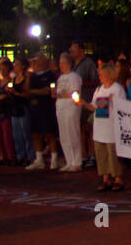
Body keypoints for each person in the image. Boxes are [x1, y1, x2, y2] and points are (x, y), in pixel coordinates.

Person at [82, 63, 126, 191]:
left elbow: (122, 106)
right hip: (100, 125)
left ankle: (118, 178)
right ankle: (105, 178)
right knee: (101, 154)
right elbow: (93, 106)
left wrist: (113, 101)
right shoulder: (99, 89)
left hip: (111, 126)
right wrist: (83, 103)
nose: (100, 76)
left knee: (112, 153)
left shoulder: (117, 88)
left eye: (101, 74)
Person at [53, 53, 84, 172]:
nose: (61, 65)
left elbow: (75, 93)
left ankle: (76, 161)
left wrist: (62, 95)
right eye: (60, 63)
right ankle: (69, 160)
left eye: (64, 63)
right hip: (60, 106)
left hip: (71, 107)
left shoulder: (74, 77)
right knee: (64, 134)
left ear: (69, 64)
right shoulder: (60, 78)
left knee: (72, 132)